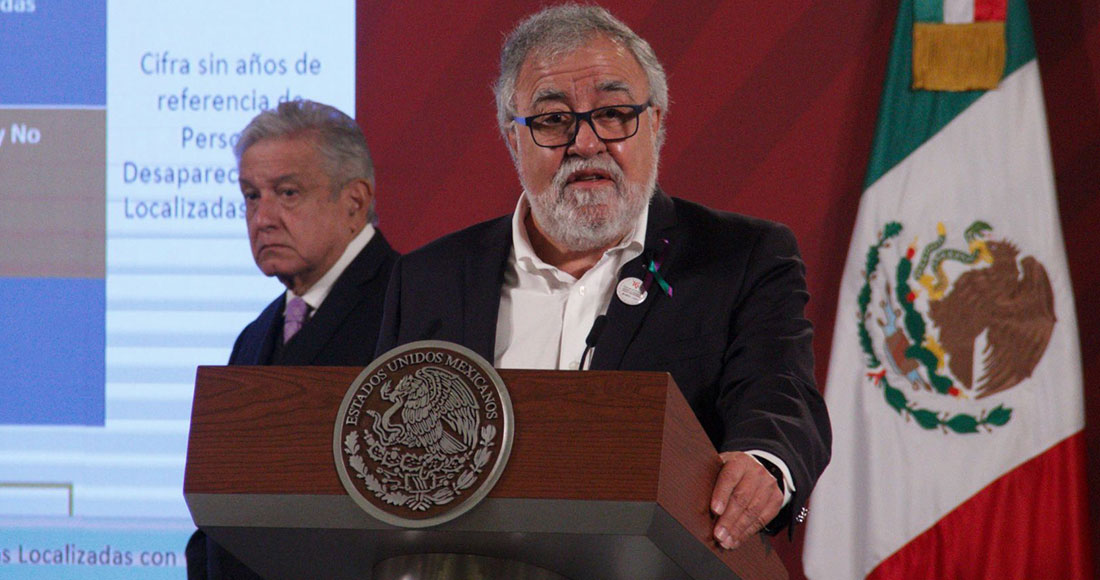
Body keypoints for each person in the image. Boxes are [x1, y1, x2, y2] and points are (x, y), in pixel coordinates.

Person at [375, 4, 830, 550]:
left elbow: (781, 395)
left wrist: (763, 464)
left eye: (614, 114)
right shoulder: (428, 278)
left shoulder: (742, 258)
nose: (586, 143)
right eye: (551, 119)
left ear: (655, 123)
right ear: (511, 136)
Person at [186, 99, 399, 579]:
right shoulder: (255, 336)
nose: (262, 219)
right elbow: (219, 509)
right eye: (250, 196)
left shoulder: (413, 307)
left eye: (287, 193)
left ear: (355, 203)